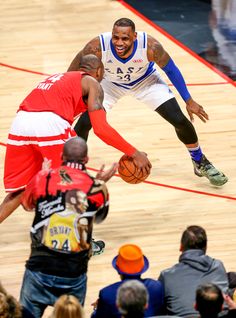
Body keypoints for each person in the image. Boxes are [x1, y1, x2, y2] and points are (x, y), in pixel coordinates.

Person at [68, 17, 228, 187]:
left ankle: (200, 162)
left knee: (179, 120)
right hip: (110, 84)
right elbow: (76, 65)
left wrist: (188, 100)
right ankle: (75, 168)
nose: (119, 42)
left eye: (125, 38)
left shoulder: (150, 47)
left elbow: (171, 69)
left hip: (146, 81)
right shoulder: (97, 46)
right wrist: (66, 93)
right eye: (116, 37)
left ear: (134, 37)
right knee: (85, 122)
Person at [0, 53, 151, 224]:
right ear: (99, 71)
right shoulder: (92, 83)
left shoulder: (60, 77)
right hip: (50, 123)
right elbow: (101, 129)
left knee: (19, 190)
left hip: (20, 123)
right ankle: (75, 236)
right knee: (72, 182)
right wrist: (135, 153)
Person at [19, 136, 116, 318]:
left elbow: (27, 205)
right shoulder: (97, 187)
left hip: (39, 268)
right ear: (86, 160)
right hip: (73, 273)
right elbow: (99, 218)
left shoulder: (43, 178)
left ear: (62, 156)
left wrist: (43, 176)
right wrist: (100, 184)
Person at [158, 225, 229, 317]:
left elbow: (159, 307)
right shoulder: (218, 266)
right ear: (205, 247)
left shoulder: (166, 275)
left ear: (181, 247)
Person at [91, 244, 164, 317]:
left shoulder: (107, 294)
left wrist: (98, 308)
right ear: (142, 268)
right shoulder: (157, 287)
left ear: (118, 270)